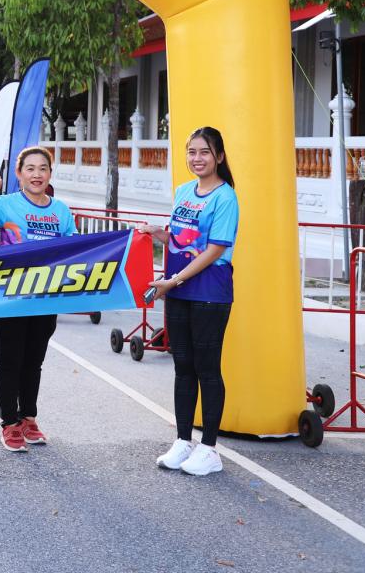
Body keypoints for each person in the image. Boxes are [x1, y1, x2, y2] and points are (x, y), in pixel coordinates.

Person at [142, 127, 239, 476]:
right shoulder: (183, 192)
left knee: (206, 368)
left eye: (205, 152)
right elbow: (181, 238)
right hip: (178, 290)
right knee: (183, 366)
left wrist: (173, 280)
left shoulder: (225, 198)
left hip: (209, 293)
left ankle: (209, 449)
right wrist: (159, 234)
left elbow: (214, 250)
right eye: (192, 152)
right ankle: (183, 441)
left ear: (219, 157)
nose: (197, 158)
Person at [0, 146, 75, 453]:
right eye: (30, 168)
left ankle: (28, 418)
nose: (37, 174)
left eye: (43, 169)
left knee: (33, 362)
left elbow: (78, 250)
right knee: (10, 361)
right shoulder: (4, 204)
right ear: (18, 174)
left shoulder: (61, 211)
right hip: (7, 298)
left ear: (50, 173)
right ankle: (10, 423)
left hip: (45, 300)